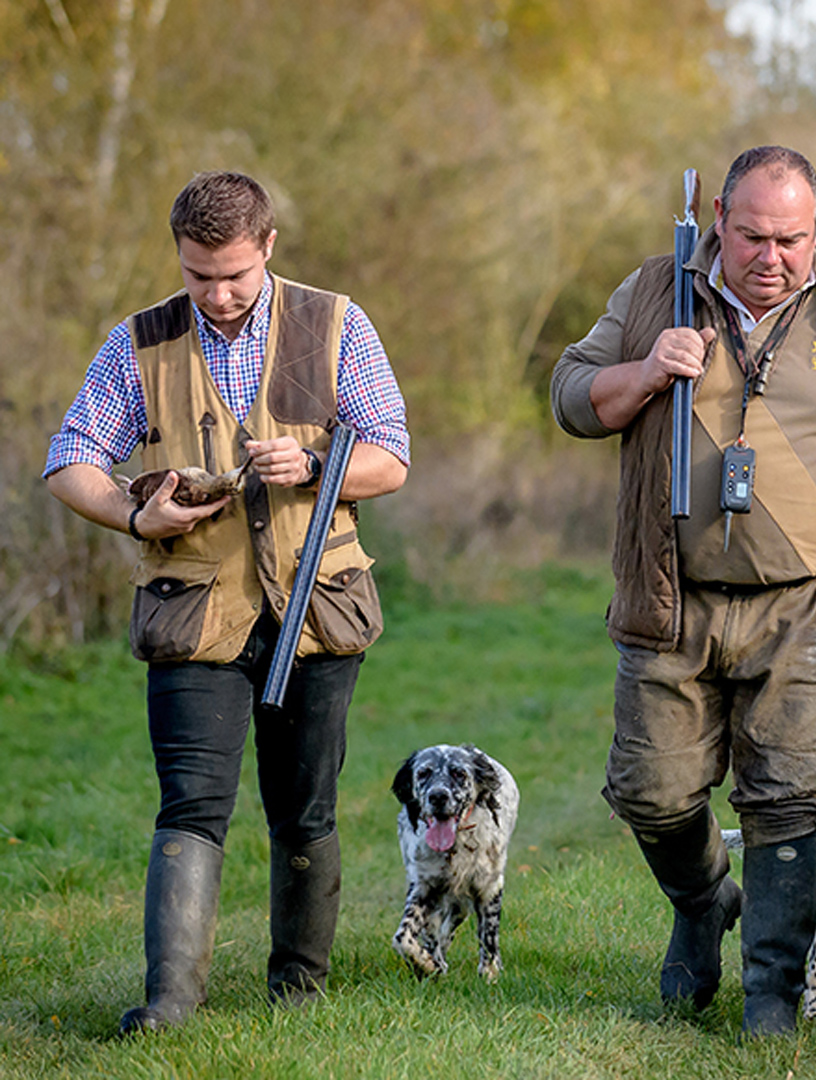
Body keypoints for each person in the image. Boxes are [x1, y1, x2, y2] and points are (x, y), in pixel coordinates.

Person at [550, 146, 816, 1036]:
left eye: (792, 239)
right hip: (673, 595)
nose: (772, 257)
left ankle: (770, 998)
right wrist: (648, 370)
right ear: (719, 219)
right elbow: (571, 397)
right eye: (754, 236)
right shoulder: (656, 290)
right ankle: (702, 904)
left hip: (814, 604)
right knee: (651, 790)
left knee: (788, 801)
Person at [43, 171, 409, 1034]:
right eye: (198, 274)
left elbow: (390, 457)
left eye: (234, 275)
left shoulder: (336, 324)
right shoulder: (137, 342)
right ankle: (169, 1002)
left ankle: (299, 992)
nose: (216, 294)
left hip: (318, 613)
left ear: (269, 248)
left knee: (306, 807)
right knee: (191, 803)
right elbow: (69, 460)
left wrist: (317, 466)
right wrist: (137, 512)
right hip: (192, 612)